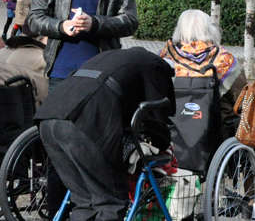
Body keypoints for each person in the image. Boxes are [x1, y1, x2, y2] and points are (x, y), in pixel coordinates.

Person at [35, 48, 175, 221]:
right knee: (110, 202)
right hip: (85, 120)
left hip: (48, 115)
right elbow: (156, 116)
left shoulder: (120, 59)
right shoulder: (155, 66)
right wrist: (163, 145)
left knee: (84, 200)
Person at [159, 9, 245, 137]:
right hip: (214, 128)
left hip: (172, 126)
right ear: (209, 29)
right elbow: (242, 97)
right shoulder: (223, 59)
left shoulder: (165, 55)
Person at [0, 34, 49, 107]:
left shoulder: (0, 53)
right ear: (40, 38)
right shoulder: (39, 59)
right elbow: (45, 97)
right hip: (26, 111)